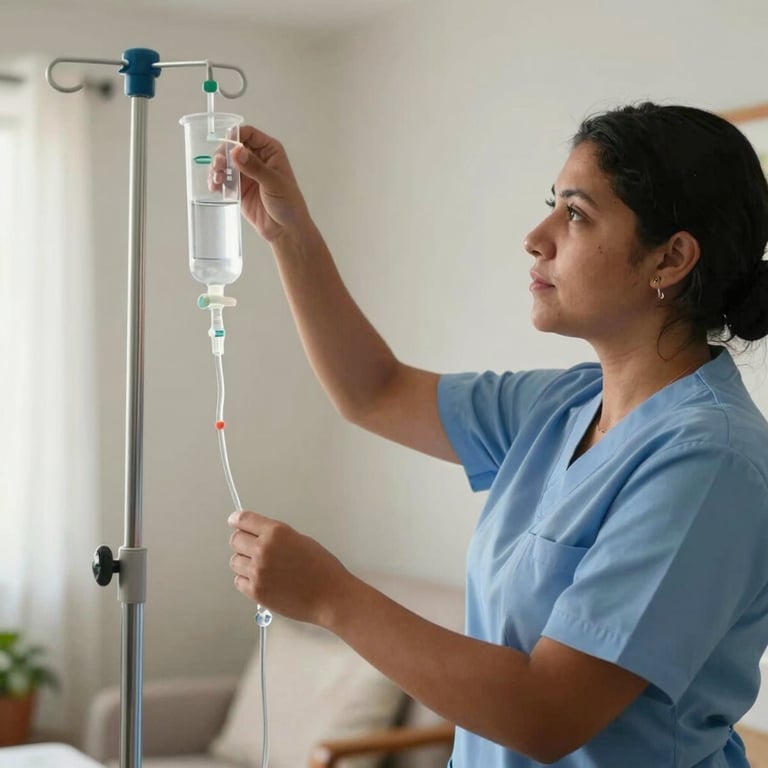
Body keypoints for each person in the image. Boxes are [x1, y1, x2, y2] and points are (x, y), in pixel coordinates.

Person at [224, 102, 768, 767]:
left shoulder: (709, 464)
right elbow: (375, 391)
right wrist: (289, 232)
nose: (536, 237)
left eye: (575, 213)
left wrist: (329, 597)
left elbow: (548, 714)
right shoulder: (561, 404)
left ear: (671, 258)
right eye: (554, 205)